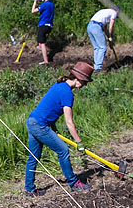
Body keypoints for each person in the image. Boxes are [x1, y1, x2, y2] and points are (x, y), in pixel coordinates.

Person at [24, 62, 94, 196]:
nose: (84, 86)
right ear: (78, 79)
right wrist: (79, 142)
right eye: (85, 82)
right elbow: (69, 122)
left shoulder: (59, 85)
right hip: (40, 125)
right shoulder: (68, 93)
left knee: (33, 157)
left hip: (32, 121)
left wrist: (53, 127)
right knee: (63, 150)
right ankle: (74, 183)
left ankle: (30, 190)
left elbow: (49, 108)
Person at [86, 6, 119, 72]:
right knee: (102, 47)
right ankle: (98, 68)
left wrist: (109, 38)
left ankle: (95, 67)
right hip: (96, 26)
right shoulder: (114, 12)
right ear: (117, 11)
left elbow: (105, 29)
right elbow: (110, 27)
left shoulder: (105, 12)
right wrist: (111, 37)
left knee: (97, 48)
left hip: (90, 26)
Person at [30, 0, 54, 65]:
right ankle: (40, 48)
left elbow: (33, 11)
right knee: (40, 40)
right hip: (49, 25)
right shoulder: (51, 4)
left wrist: (35, 1)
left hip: (43, 25)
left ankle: (46, 61)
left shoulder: (45, 4)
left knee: (42, 43)